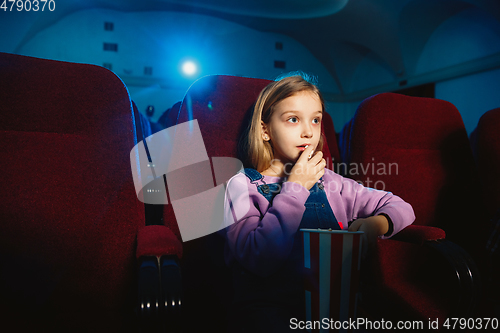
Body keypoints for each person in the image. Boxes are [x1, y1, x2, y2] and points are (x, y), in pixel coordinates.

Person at [222, 74, 415, 332]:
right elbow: (260, 258)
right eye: (293, 119)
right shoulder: (242, 185)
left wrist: (375, 225)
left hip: (332, 308)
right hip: (266, 310)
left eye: (316, 119)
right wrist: (297, 187)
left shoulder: (333, 182)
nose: (308, 131)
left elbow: (402, 207)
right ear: (265, 130)